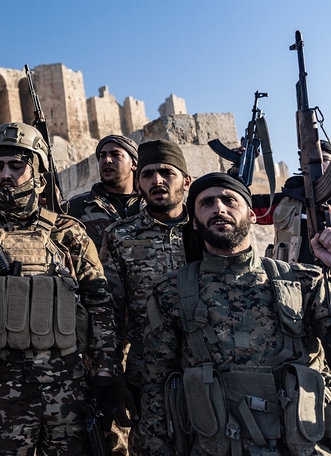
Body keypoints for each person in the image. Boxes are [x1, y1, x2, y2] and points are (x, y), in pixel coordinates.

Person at [0, 122, 118, 455]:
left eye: (16, 165)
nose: (6, 174)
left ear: (37, 170)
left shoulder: (69, 232)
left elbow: (99, 304)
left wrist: (105, 373)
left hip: (67, 386)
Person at [133, 173, 331, 456]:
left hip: (301, 446)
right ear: (194, 221)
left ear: (252, 215)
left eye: (229, 200)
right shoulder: (171, 292)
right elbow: (157, 384)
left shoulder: (304, 281)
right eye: (207, 203)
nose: (219, 209)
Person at [100, 139, 193, 447]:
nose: (157, 181)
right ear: (138, 183)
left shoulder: (206, 229)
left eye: (167, 173)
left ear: (186, 180)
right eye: (148, 175)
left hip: (211, 367)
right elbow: (108, 311)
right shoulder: (119, 236)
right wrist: (115, 378)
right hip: (148, 374)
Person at [66, 135, 141, 249]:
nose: (107, 160)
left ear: (134, 164)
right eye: (102, 156)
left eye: (116, 155)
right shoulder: (75, 207)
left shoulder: (150, 205)